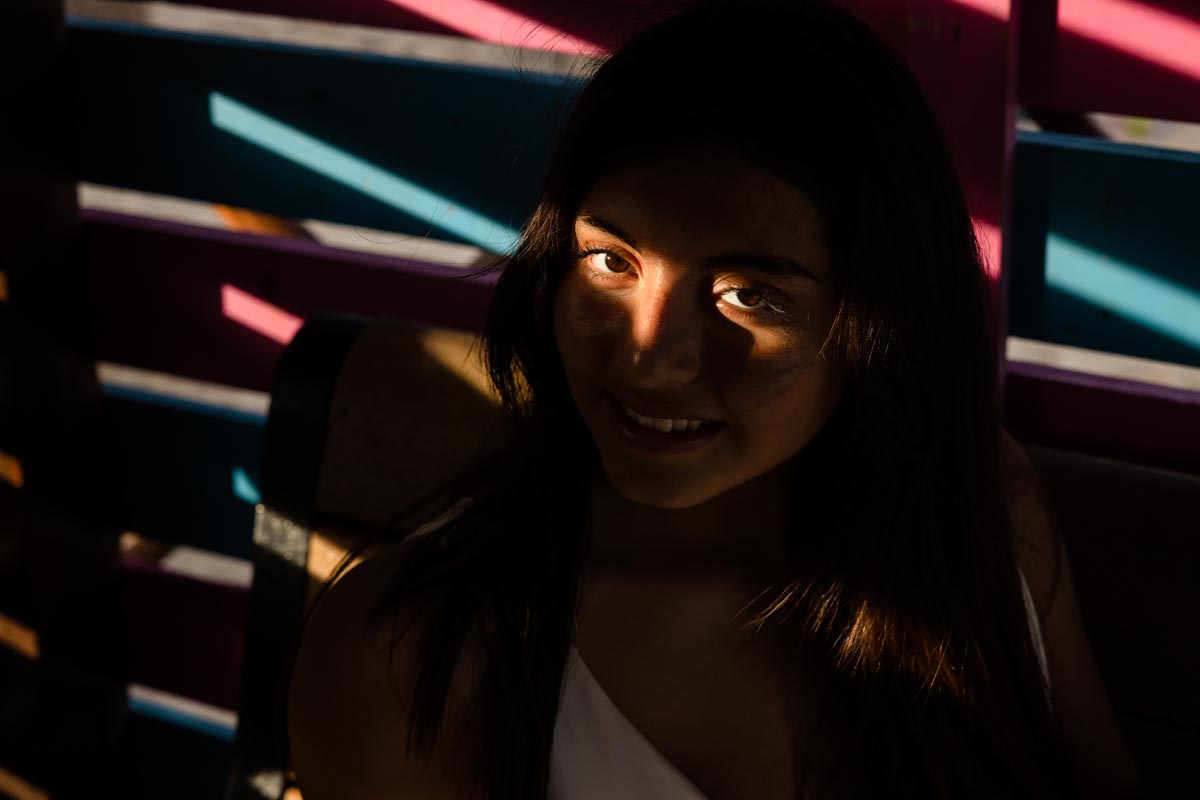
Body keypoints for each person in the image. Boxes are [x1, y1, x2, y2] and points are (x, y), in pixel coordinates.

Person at [287, 1, 1141, 797]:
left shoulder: (980, 521)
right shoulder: (415, 658)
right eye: (610, 262)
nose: (650, 360)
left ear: (881, 320)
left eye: (748, 295)